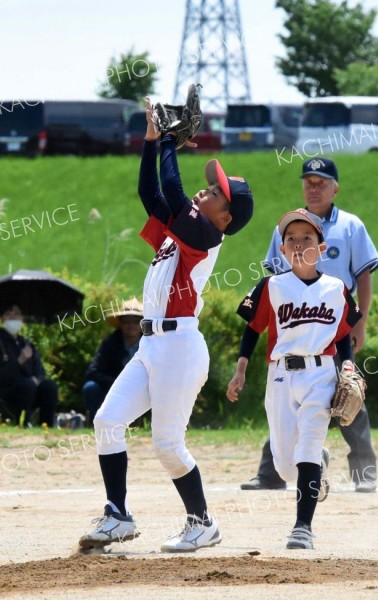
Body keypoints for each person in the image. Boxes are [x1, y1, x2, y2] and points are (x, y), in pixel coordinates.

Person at [78, 97, 254, 552]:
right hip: (152, 346)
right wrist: (152, 140)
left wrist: (173, 142)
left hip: (180, 348)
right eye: (210, 188)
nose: (205, 191)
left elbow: (174, 194)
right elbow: (151, 196)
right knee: (108, 421)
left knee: (167, 445)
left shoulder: (207, 236)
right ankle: (117, 515)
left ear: (225, 217)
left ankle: (203, 523)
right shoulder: (180, 232)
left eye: (215, 193)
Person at [241, 157, 378, 494]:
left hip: (332, 323)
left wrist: (359, 323)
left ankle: (364, 470)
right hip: (294, 326)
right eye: (308, 181)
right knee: (283, 399)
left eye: (321, 182)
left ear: (336, 188)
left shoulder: (350, 226)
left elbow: (362, 275)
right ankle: (273, 472)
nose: (313, 187)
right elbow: (274, 281)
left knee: (346, 392)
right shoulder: (287, 228)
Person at [227, 208, 362, 549]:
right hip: (280, 376)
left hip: (321, 374)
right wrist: (241, 369)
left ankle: (303, 527)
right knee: (286, 466)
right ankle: (318, 465)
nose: (299, 244)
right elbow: (252, 329)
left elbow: (343, 332)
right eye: (291, 239)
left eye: (307, 238)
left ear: (323, 246)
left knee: (309, 445)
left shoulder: (337, 288)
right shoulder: (271, 286)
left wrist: (347, 366)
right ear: (282, 249)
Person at [82, 298, 143, 425]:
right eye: (127, 322)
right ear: (120, 324)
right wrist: (117, 383)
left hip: (142, 388)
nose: (131, 325)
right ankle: (99, 425)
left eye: (136, 322)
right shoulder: (110, 342)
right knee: (90, 388)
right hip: (112, 386)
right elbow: (93, 371)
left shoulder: (151, 343)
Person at [0, 304, 58, 427]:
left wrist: (38, 380)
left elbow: (40, 371)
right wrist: (19, 361)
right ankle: (23, 423)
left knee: (50, 386)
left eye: (16, 314)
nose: (12, 317)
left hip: (30, 389)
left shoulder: (26, 343)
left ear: (22, 318)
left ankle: (46, 425)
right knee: (28, 385)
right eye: (8, 314)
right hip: (7, 391)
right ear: (2, 319)